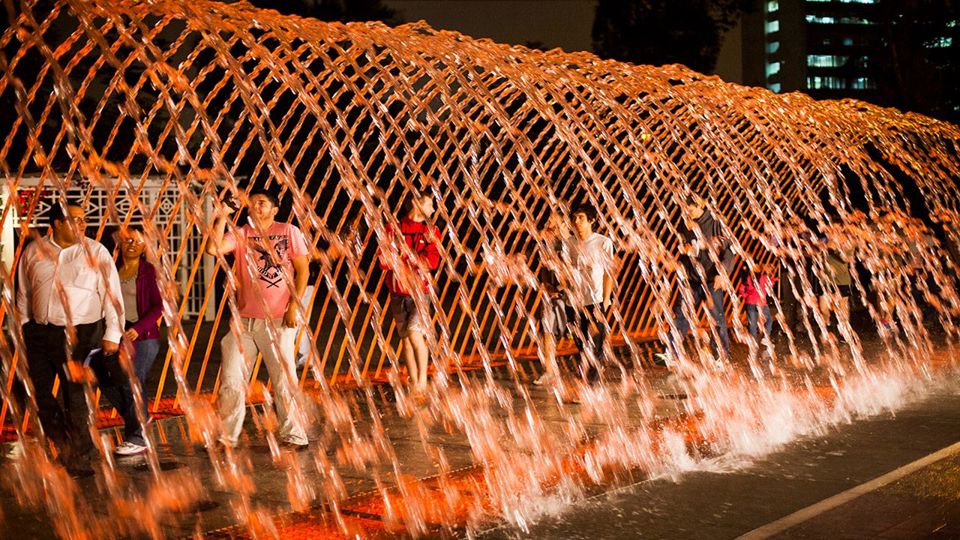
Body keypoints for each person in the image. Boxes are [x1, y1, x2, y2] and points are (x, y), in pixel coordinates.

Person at [16, 199, 143, 470]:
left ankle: (81, 457)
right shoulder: (34, 251)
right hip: (39, 333)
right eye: (76, 219)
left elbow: (112, 296)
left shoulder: (96, 252)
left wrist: (112, 334)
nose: (83, 224)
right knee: (36, 394)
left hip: (82, 335)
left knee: (76, 397)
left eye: (84, 219)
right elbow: (24, 292)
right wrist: (26, 326)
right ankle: (66, 443)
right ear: (57, 223)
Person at [207, 188, 310, 449]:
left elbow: (303, 270)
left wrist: (293, 307)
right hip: (244, 322)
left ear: (275, 209)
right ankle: (227, 437)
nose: (256, 207)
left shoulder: (288, 231)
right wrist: (221, 217)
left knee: (284, 380)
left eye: (262, 203)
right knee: (230, 379)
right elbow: (213, 248)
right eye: (252, 204)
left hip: (277, 320)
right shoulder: (242, 233)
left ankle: (295, 434)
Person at [656, 194, 735, 364]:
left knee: (716, 318)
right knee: (680, 314)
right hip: (690, 279)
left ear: (701, 205)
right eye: (685, 209)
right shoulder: (686, 225)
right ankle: (672, 352)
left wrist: (723, 272)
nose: (687, 212)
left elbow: (729, 251)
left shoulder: (716, 223)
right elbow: (686, 251)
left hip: (711, 279)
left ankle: (720, 356)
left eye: (690, 208)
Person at [378, 194, 441, 394]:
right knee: (405, 338)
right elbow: (384, 261)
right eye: (430, 204)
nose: (432, 209)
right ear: (415, 203)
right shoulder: (392, 229)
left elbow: (432, 262)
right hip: (397, 292)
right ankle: (414, 383)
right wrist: (409, 259)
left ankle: (422, 381)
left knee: (415, 335)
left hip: (420, 293)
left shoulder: (431, 231)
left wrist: (403, 258)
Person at [116, 225, 164, 425]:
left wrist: (138, 328)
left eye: (138, 241)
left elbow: (158, 305)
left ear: (145, 247)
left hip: (144, 335)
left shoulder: (148, 270)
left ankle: (139, 424)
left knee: (135, 378)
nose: (133, 245)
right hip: (118, 333)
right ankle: (138, 417)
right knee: (121, 380)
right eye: (129, 240)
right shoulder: (112, 267)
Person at [564, 203, 615, 383]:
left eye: (581, 218)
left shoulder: (603, 242)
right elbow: (564, 269)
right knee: (581, 344)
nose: (577, 222)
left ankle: (590, 385)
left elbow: (609, 273)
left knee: (594, 344)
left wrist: (606, 299)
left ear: (591, 220)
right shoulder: (569, 243)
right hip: (574, 302)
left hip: (596, 300)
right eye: (574, 218)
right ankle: (593, 372)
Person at [533, 213, 572, 386]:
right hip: (550, 293)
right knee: (547, 330)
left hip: (571, 293)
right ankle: (549, 371)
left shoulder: (572, 241)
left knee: (577, 332)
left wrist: (564, 287)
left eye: (552, 219)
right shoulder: (546, 241)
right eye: (548, 219)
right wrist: (546, 285)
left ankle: (592, 368)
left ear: (563, 222)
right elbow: (544, 266)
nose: (548, 222)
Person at [738, 263, 776, 343]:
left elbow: (741, 290)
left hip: (750, 303)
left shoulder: (747, 278)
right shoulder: (764, 278)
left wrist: (747, 297)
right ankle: (766, 338)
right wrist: (774, 279)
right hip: (761, 304)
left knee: (753, 326)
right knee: (769, 320)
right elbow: (769, 286)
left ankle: (754, 345)